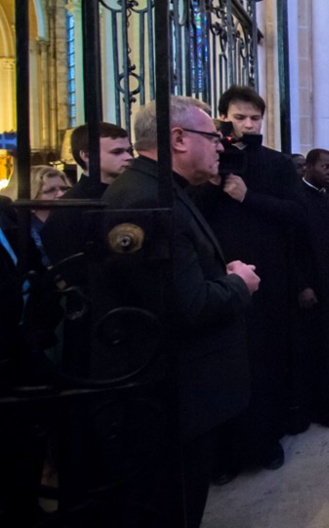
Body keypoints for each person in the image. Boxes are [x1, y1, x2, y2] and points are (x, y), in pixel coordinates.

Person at [99, 96, 259, 527]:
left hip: (179, 389)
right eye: (213, 137)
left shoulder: (160, 188)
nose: (222, 146)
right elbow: (187, 306)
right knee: (173, 505)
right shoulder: (145, 200)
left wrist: (215, 274)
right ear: (179, 138)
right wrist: (238, 283)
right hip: (173, 391)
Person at [191, 85, 299, 479]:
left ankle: (264, 442)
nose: (249, 125)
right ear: (223, 119)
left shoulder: (278, 164)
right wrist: (212, 179)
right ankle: (225, 455)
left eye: (255, 118)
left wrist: (248, 196)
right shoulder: (209, 162)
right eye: (240, 118)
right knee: (222, 366)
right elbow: (190, 212)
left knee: (266, 363)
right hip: (218, 279)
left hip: (268, 278)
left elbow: (296, 216)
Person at [289, 149, 329, 430]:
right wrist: (302, 285)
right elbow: (291, 247)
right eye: (325, 167)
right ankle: (318, 409)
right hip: (311, 284)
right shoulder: (296, 197)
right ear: (309, 167)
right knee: (315, 348)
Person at [42, 122, 133, 274]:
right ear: (86, 155)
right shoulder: (70, 205)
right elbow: (70, 266)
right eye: (117, 152)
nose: (128, 157)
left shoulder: (132, 193)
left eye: (129, 151)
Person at [28, 166, 71, 267]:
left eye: (64, 189)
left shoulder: (71, 219)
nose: (61, 194)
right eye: (50, 190)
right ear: (33, 193)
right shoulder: (25, 226)